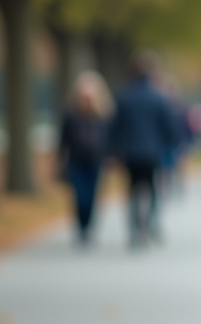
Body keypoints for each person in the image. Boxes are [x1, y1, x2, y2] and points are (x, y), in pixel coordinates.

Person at [109, 51, 179, 248]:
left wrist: (113, 149)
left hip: (129, 152)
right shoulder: (159, 98)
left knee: (131, 189)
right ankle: (150, 225)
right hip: (152, 151)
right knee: (152, 188)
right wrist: (170, 146)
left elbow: (115, 126)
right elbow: (170, 127)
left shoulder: (123, 96)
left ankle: (133, 229)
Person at [58, 71, 111, 247]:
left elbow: (109, 138)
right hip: (76, 160)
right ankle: (81, 227)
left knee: (93, 196)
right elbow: (63, 139)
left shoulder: (103, 116)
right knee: (80, 196)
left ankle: (89, 227)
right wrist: (59, 159)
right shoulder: (71, 115)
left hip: (96, 161)